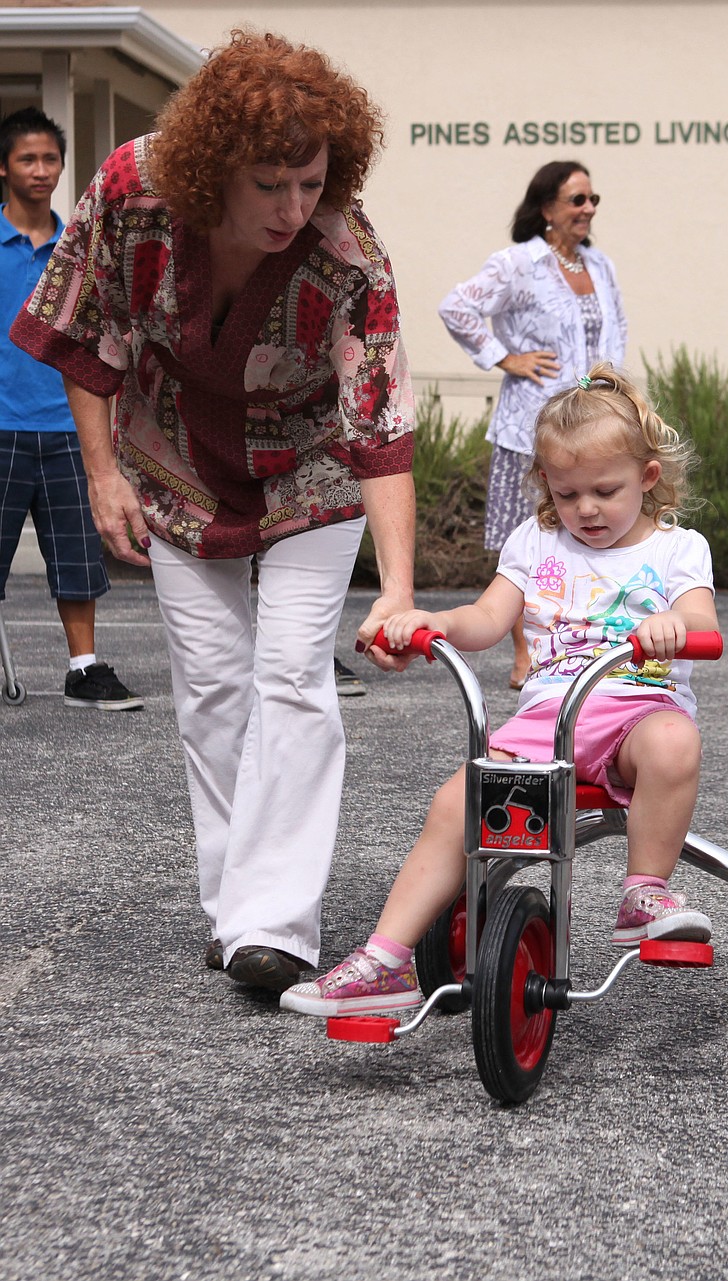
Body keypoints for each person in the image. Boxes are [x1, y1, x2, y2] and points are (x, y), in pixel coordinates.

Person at [12, 31, 416, 994]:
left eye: (311, 182)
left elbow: (382, 427)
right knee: (212, 689)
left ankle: (274, 925)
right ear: (211, 167)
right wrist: (104, 475)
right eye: (269, 182)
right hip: (178, 461)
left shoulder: (349, 257)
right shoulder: (132, 189)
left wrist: (398, 586)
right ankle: (235, 902)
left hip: (312, 471)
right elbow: (88, 330)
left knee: (290, 678)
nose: (293, 207)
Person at [281, 363, 719, 1018]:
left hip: (635, 712)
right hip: (549, 719)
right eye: (568, 494)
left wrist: (673, 626)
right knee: (457, 803)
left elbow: (704, 627)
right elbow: (487, 619)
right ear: (546, 483)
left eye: (606, 490)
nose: (586, 509)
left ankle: (643, 892)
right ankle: (384, 960)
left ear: (647, 478)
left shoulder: (676, 549)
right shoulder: (535, 543)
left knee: (674, 740)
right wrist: (436, 622)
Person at [439, 161, 627, 692]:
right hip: (532, 428)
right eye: (577, 200)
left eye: (593, 200)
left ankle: (580, 652)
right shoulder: (518, 263)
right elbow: (457, 308)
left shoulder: (601, 265)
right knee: (532, 541)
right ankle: (525, 653)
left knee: (590, 536)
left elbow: (619, 329)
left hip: (594, 426)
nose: (588, 209)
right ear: (547, 208)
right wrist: (506, 357)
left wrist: (616, 393)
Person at [0, 108, 142, 710]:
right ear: (3, 167)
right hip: (2, 427)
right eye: (27, 159)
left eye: (50, 159)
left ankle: (84, 669)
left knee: (78, 556)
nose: (40, 170)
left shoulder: (81, 247)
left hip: (69, 429)